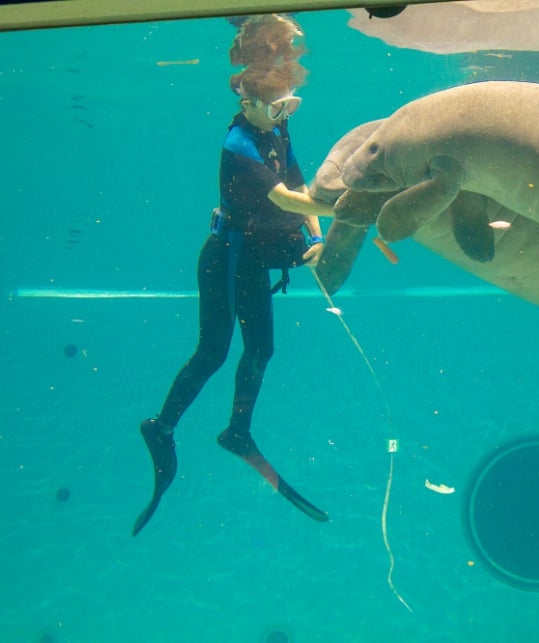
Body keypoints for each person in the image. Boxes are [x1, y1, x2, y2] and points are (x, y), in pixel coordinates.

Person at [133, 15, 333, 536]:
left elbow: (298, 179)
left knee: (262, 349)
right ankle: (161, 427)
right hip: (224, 259)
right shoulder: (239, 145)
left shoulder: (276, 128)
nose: (284, 114)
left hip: (252, 259)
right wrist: (349, 208)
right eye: (277, 107)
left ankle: (236, 432)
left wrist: (315, 238)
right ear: (248, 105)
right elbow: (288, 198)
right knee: (214, 352)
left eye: (290, 105)